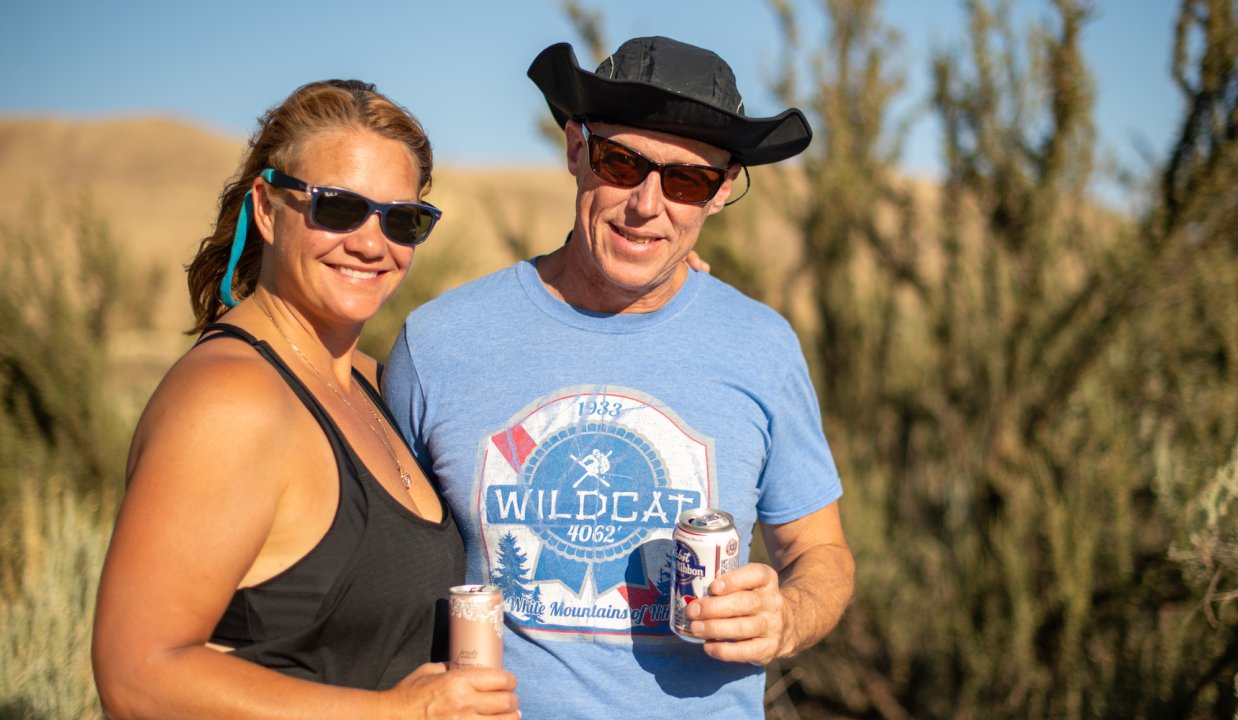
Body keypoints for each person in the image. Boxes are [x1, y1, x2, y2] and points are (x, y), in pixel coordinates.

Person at [382, 37, 855, 719]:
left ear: (720, 193)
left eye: (687, 181)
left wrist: (787, 616)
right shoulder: (441, 342)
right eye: (622, 162)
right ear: (576, 150)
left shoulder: (759, 347)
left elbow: (822, 552)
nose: (646, 205)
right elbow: (373, 564)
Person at [92, 79, 519, 719]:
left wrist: (663, 290)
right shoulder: (231, 400)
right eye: (339, 208)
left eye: (402, 219)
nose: (372, 244)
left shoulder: (381, 385)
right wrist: (400, 714)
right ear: (266, 208)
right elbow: (137, 677)